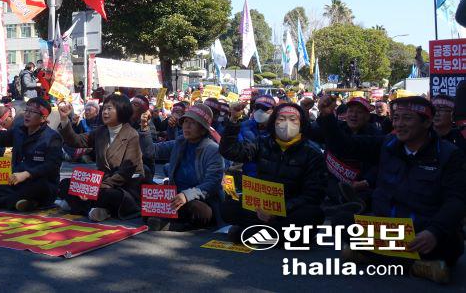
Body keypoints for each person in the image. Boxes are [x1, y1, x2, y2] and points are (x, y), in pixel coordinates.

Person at [334, 96, 466, 284]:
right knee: (341, 222)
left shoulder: (449, 154)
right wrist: (326, 116)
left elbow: (457, 200)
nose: (399, 124)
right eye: (396, 118)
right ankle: (417, 266)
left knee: (450, 244)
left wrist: (433, 232)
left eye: (407, 118)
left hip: (421, 231)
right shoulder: (387, 144)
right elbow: (345, 146)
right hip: (388, 228)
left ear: (427, 122)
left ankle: (371, 256)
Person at [220, 103, 327, 242]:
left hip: (290, 210)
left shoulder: (312, 153)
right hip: (260, 207)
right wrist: (233, 120)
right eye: (281, 119)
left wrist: (279, 211)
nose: (287, 124)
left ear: (301, 124)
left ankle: (254, 232)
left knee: (313, 215)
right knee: (228, 207)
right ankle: (275, 235)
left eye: (293, 119)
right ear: (273, 122)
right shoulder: (261, 143)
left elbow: (313, 194)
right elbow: (230, 151)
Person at [57, 95, 145, 222]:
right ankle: (95, 209)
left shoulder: (132, 135)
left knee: (108, 195)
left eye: (109, 109)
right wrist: (64, 119)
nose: (105, 112)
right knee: (66, 184)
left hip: (123, 186)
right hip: (100, 183)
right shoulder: (100, 131)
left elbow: (126, 172)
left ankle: (79, 206)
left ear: (122, 110)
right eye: (104, 108)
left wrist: (99, 187)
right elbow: (76, 140)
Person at [141, 104, 224, 231]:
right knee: (147, 189)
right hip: (175, 195)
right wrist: (144, 128)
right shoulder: (179, 142)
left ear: (203, 129)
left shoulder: (213, 149)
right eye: (185, 121)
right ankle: (166, 219)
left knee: (198, 211)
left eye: (193, 123)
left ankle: (170, 223)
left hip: (200, 200)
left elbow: (212, 184)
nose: (187, 126)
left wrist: (186, 195)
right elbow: (151, 151)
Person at [0, 98, 62, 212]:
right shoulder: (18, 131)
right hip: (16, 182)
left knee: (38, 187)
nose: (27, 115)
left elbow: (52, 165)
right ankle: (28, 203)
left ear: (43, 118)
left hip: (39, 184)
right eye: (27, 110)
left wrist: (27, 174)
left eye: (33, 112)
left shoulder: (52, 137)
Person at [315, 96, 383, 209]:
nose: (353, 115)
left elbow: (380, 164)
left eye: (359, 112)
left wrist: (367, 181)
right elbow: (312, 132)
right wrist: (305, 111)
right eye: (350, 111)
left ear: (367, 116)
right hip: (332, 187)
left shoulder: (376, 135)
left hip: (362, 190)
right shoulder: (338, 127)